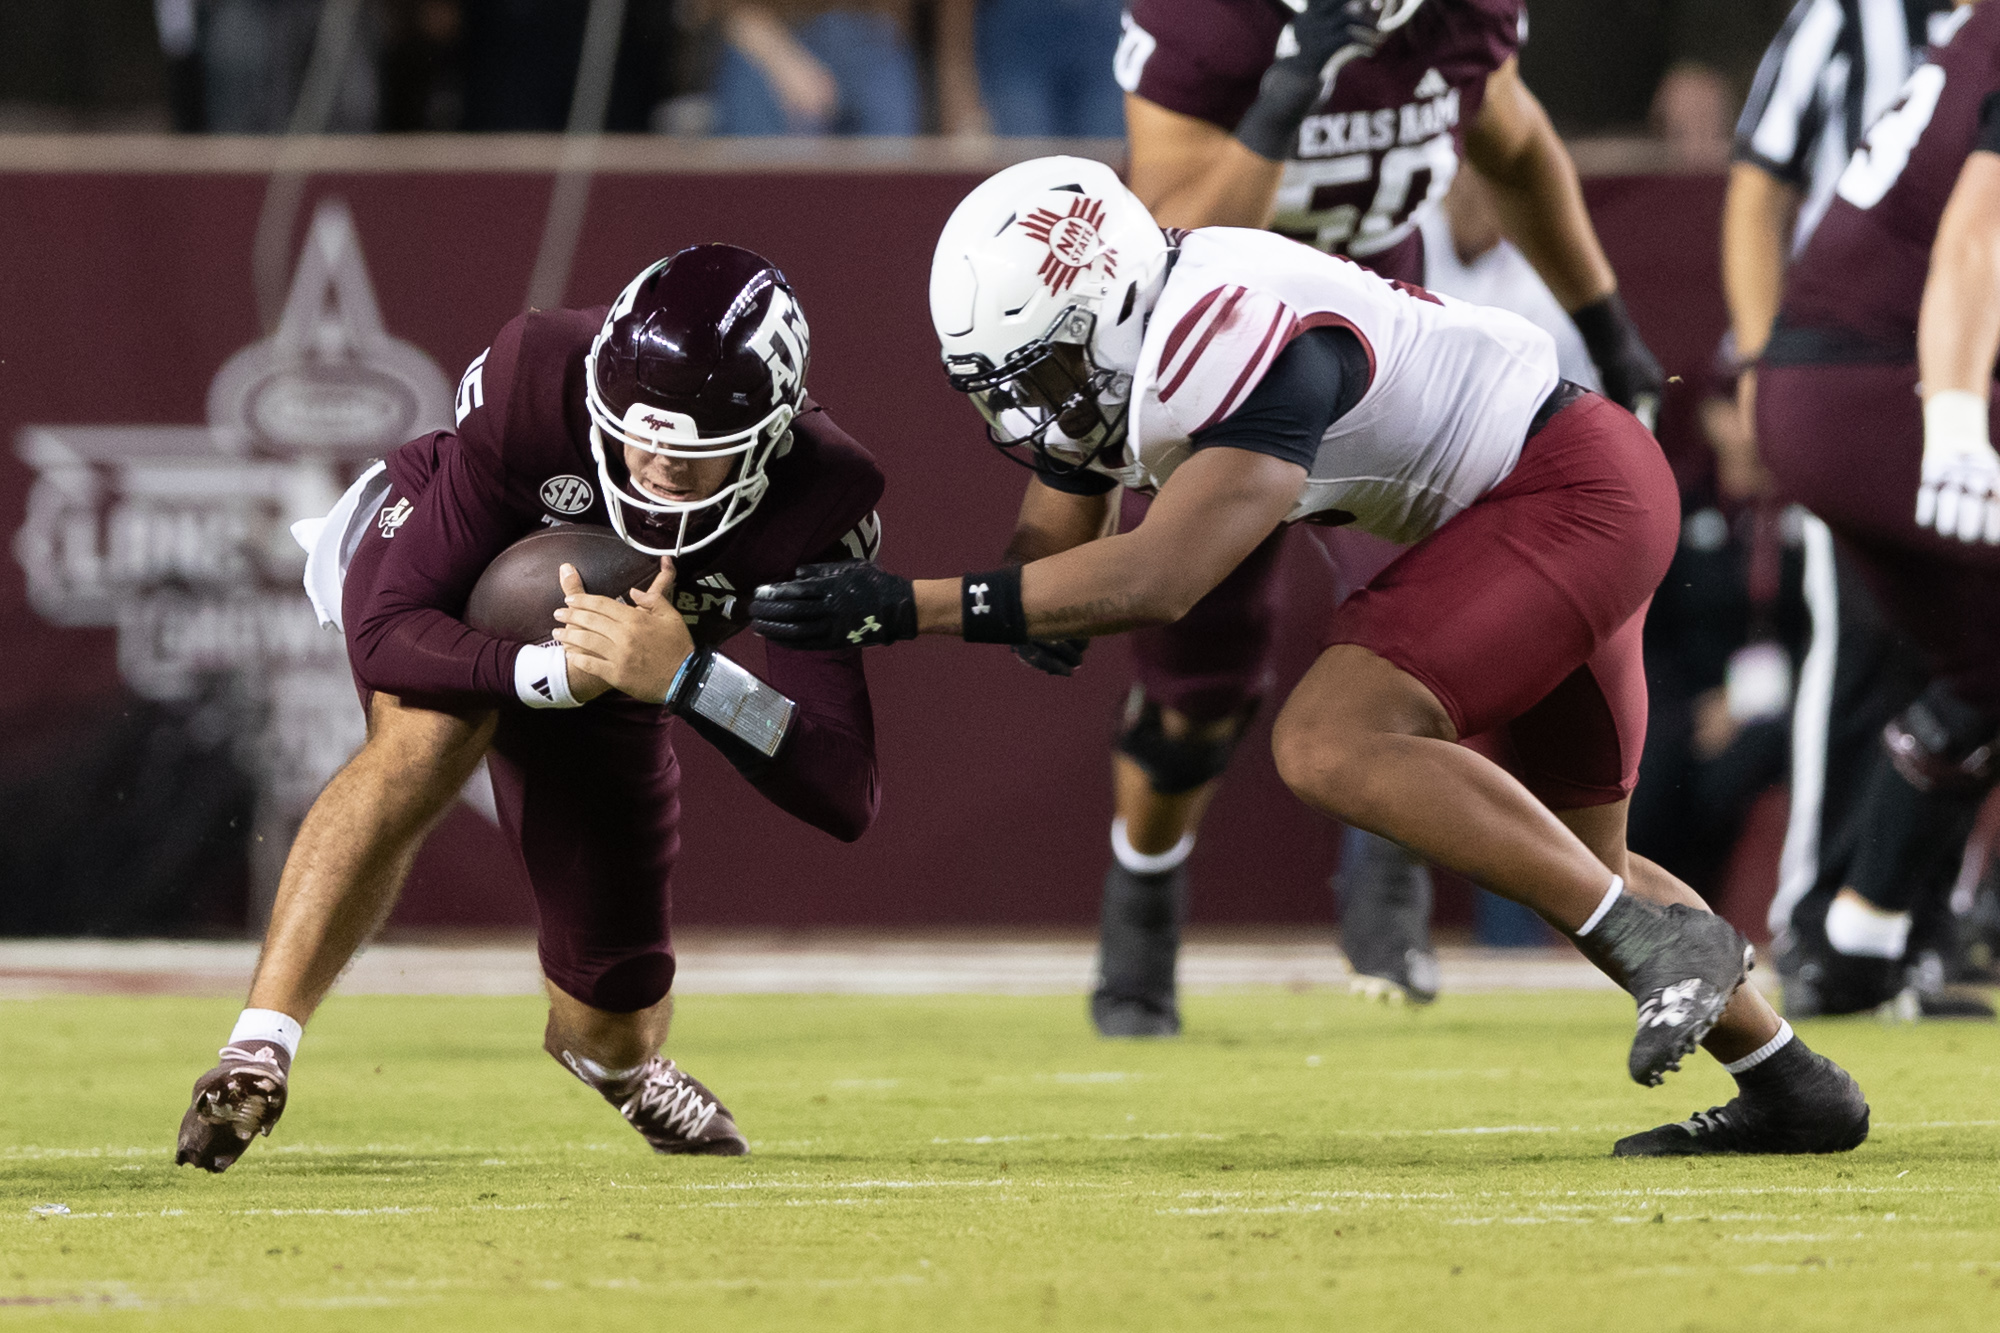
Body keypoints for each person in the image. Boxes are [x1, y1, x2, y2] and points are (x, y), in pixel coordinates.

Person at [751, 155, 1871, 1154]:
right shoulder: (1142, 317)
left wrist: (902, 606)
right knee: (1575, 862)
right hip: (1560, 495)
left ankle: (1650, 948)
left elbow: (1159, 578)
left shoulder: (1232, 331)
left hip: (1561, 495)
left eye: (1040, 376)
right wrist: (1027, 604)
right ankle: (1789, 1082)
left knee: (1327, 737)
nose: (1029, 414)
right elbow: (1065, 516)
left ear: (1113, 311)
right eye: (1003, 388)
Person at [175, 245, 886, 1171]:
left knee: (613, 1012)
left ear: (766, 442)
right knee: (424, 735)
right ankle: (257, 1047)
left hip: (629, 675)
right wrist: (547, 674)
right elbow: (389, 629)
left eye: (691, 456)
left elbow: (846, 784)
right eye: (639, 438)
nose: (655, 468)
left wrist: (691, 680)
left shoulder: (824, 499)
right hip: (447, 560)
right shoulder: (540, 378)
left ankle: (615, 1064)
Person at [1055, 0, 1664, 1033]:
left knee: (1436, 629)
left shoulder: (1461, 20)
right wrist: (1290, 87)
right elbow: (1172, 228)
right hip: (1211, 365)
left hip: (1382, 346)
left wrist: (1606, 322)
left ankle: (1390, 876)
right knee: (1196, 690)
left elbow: (1511, 143)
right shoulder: (1212, 25)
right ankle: (1142, 909)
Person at [1725, 0, 1991, 1018]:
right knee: (1865, 656)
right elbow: (1975, 236)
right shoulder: (1855, 19)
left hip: (1863, 378)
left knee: (1977, 670)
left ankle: (1860, 939)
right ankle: (1825, 914)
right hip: (1887, 381)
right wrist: (1961, 428)